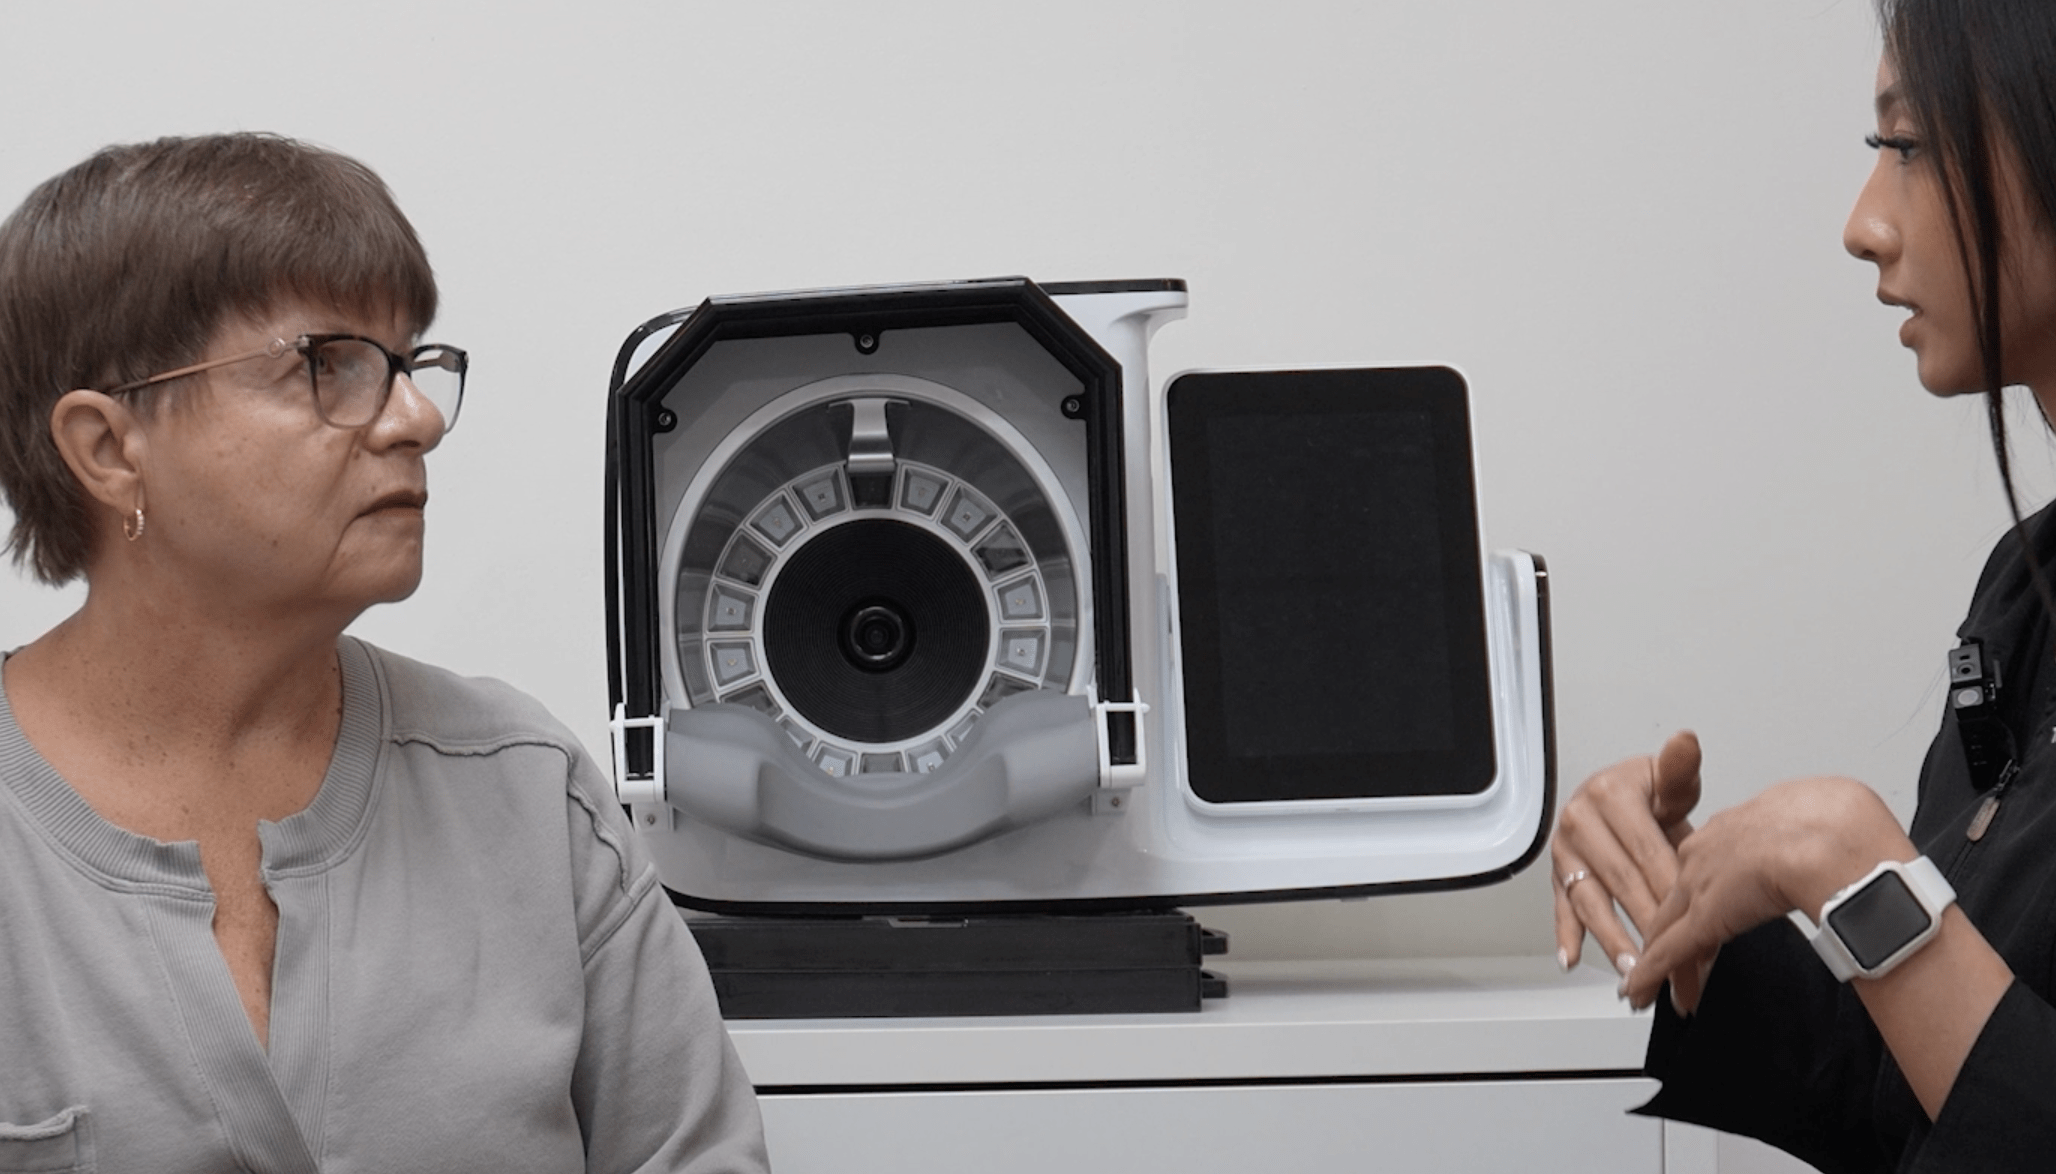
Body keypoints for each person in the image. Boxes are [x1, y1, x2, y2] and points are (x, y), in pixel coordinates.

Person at [0, 134, 768, 1173]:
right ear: (107, 447)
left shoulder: (528, 796)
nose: (415, 419)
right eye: (331, 365)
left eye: (410, 363)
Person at [1551, 1, 2056, 1169]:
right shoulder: (2022, 598)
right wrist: (1684, 902)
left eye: (1910, 146)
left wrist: (1848, 863)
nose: (1863, 224)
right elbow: (1903, 1100)